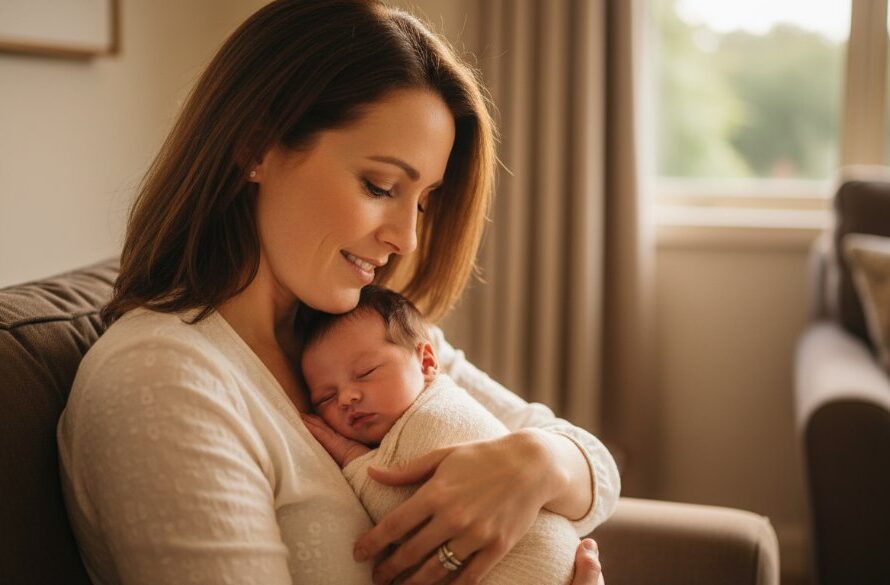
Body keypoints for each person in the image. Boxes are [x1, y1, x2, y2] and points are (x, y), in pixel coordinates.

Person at [56, 1, 620, 584]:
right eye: (380, 186)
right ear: (255, 149)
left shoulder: (365, 339)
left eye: (423, 201)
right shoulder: (164, 379)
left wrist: (535, 462)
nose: (406, 238)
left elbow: (596, 468)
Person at [299, 285, 581, 584]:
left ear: (427, 363)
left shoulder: (435, 415)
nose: (346, 398)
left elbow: (406, 512)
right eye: (325, 398)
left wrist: (352, 459)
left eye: (366, 372)